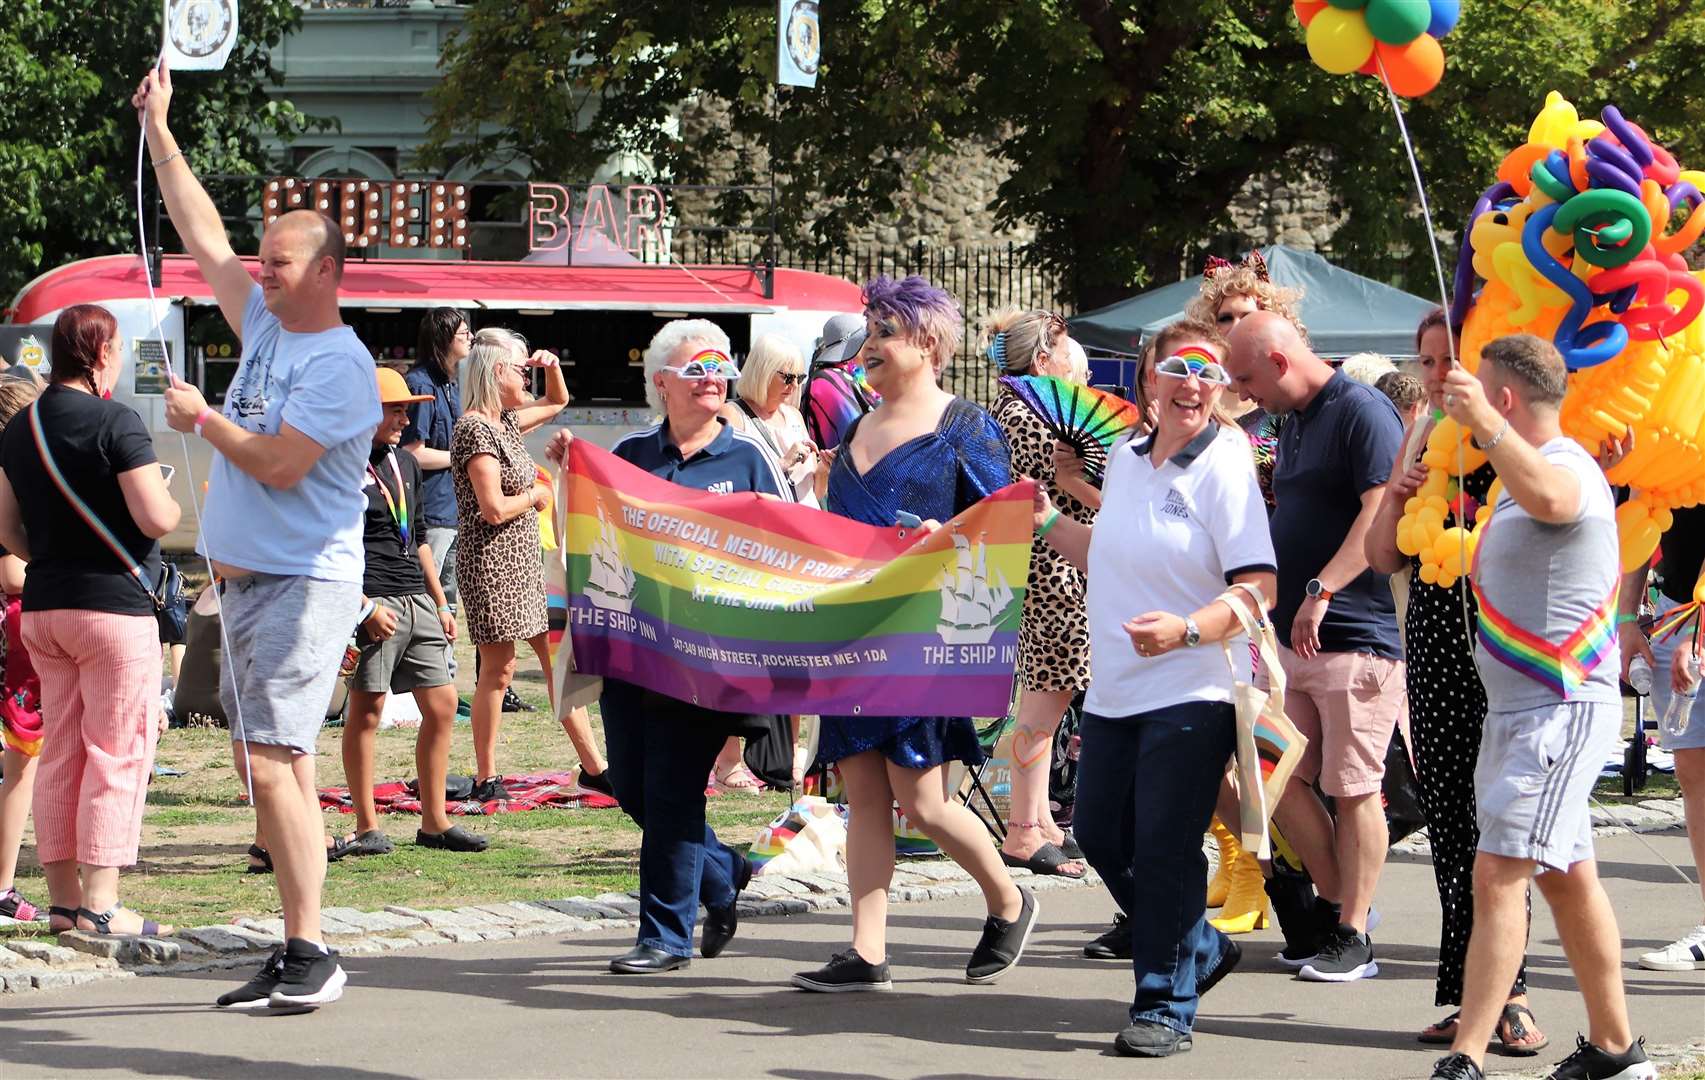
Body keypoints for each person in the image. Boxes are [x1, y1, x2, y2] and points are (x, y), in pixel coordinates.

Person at [140, 62, 381, 1009]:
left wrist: (203, 420)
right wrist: (162, 129)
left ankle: (313, 950)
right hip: (250, 584)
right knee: (271, 764)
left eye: (277, 260)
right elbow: (199, 232)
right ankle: (296, 944)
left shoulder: (341, 363)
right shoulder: (272, 330)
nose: (258, 268)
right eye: (262, 258)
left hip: (300, 581)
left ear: (324, 271)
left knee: (275, 762)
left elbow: (280, 464)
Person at [1039, 318, 1276, 1057]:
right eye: (1178, 367)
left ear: (1220, 390)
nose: (1193, 383)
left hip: (1194, 684)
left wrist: (1188, 630)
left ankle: (1164, 1006)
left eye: (1207, 371)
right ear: (1147, 379)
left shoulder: (1226, 462)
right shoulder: (1127, 458)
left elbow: (1258, 584)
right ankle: (1197, 947)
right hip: (1113, 690)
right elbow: (1107, 553)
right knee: (1103, 836)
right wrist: (1045, 518)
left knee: (1166, 845)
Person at [792, 275, 1035, 993]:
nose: (866, 349)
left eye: (882, 335)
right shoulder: (855, 426)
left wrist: (942, 537)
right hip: (853, 634)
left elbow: (1004, 529)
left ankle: (1009, 897)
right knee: (861, 795)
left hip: (925, 636)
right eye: (866, 335)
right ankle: (866, 952)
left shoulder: (965, 425)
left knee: (923, 802)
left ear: (926, 343)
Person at [1429, 334, 1655, 1080]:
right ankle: (1617, 1050)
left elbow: (1558, 500)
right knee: (1567, 878)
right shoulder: (1526, 471)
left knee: (1496, 873)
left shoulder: (1562, 467)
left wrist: (1488, 433)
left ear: (1500, 398)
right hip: (1522, 712)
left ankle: (1466, 1055)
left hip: (1557, 710)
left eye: (1476, 390)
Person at [546, 319, 787, 974]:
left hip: (711, 659)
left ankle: (664, 937)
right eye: (696, 368)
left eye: (719, 367)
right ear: (661, 382)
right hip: (635, 650)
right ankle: (722, 870)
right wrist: (570, 477)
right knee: (631, 788)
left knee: (675, 791)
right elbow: (592, 541)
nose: (712, 377)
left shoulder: (749, 457)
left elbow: (792, 539)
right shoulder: (627, 453)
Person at [1365, 309, 1547, 1051]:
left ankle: (1515, 996)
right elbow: (1382, 556)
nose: (1440, 374)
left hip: (1506, 644)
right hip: (1437, 647)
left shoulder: (1515, 437)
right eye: (1428, 360)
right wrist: (1400, 493)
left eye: (1452, 360)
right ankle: (1463, 994)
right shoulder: (1420, 436)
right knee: (1452, 828)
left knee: (1504, 828)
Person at [1223, 310, 1404, 983]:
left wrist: (1322, 588)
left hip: (1352, 635)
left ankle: (1353, 931)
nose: (1242, 396)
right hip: (1289, 638)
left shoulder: (1360, 409)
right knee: (1275, 776)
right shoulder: (1292, 419)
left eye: (1244, 379)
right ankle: (1337, 909)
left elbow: (1379, 506)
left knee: (1354, 787)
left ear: (1276, 360)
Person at [0, 304, 181, 938]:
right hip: (113, 609)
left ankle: (61, 903)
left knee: (60, 757)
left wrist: (53, 555)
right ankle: (102, 904)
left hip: (45, 608)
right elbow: (158, 519)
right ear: (101, 353)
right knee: (116, 752)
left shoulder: (21, 427)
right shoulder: (116, 420)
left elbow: (6, 527)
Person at [342, 368, 485, 855]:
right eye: (395, 409)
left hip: (416, 598)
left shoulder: (405, 462)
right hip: (371, 599)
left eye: (407, 408)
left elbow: (419, 535)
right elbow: (330, 546)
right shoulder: (339, 466)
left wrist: (440, 603)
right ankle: (366, 826)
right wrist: (361, 609)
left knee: (443, 706)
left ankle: (434, 822)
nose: (406, 418)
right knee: (367, 712)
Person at [986, 307, 1090, 878]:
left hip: (1038, 564)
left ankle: (1039, 820)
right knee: (1046, 700)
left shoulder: (1011, 406)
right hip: (1054, 566)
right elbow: (1054, 492)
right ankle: (1024, 827)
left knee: (1046, 695)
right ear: (1043, 356)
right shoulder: (1038, 413)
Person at [451, 328, 568, 804]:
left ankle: (594, 762)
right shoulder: (477, 428)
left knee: (547, 659)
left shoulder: (505, 424)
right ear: (496, 373)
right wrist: (538, 495)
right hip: (492, 563)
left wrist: (550, 366)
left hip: (519, 563)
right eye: (521, 370)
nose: (527, 378)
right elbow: (493, 508)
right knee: (498, 670)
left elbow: (558, 401)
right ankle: (486, 774)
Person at [715, 333, 818, 789]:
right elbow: (732, 480)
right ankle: (728, 759)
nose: (794, 385)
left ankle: (789, 754)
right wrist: (782, 461)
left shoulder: (794, 415)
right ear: (760, 372)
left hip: (800, 542)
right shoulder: (731, 416)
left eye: (799, 377)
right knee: (743, 655)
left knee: (795, 654)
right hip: (753, 548)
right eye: (786, 376)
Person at [1621, 509, 1705, 974]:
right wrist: (1627, 618)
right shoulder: (1659, 436)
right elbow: (1642, 514)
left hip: (1693, 618)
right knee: (1694, 770)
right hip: (1677, 609)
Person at [402, 309, 470, 674]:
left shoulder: (451, 384)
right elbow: (413, 453)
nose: (469, 338)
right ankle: (431, 672)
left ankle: (445, 671)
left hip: (452, 506)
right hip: (431, 509)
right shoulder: (421, 385)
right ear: (443, 338)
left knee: (449, 595)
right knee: (434, 594)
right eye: (463, 333)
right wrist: (462, 456)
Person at [0, 377, 44, 925]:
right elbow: (12, 572)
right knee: (22, 765)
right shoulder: (12, 480)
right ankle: (5, 885)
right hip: (14, 634)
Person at [803, 312, 878, 451]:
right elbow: (852, 433)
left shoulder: (853, 375)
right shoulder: (827, 381)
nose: (872, 347)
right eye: (865, 341)